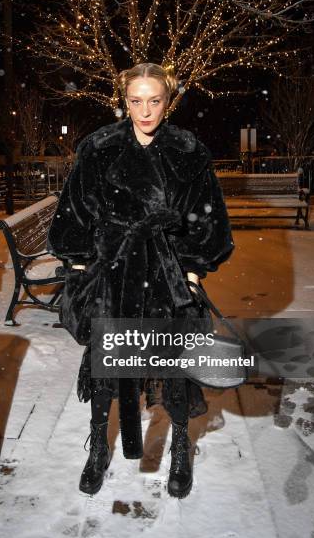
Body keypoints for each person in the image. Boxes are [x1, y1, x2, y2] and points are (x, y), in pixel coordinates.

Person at [47, 63, 234, 499]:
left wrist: (189, 271)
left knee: (174, 371)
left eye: (154, 101)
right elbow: (74, 213)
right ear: (124, 100)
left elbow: (208, 223)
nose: (144, 111)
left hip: (167, 280)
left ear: (169, 101)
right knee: (107, 368)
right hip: (113, 276)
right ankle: (98, 448)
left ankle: (182, 450)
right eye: (136, 100)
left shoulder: (188, 151)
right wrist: (79, 270)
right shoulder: (99, 148)